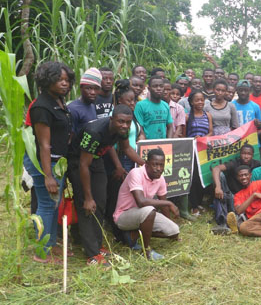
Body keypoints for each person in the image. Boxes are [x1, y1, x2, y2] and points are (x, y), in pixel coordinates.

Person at [68, 105, 145, 266]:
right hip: (79, 163)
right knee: (87, 206)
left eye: (128, 122)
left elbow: (126, 149)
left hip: (96, 160)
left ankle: (97, 245)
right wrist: (88, 197)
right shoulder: (94, 131)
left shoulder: (122, 131)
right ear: (112, 119)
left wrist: (146, 165)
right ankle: (92, 255)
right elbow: (83, 165)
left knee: (101, 202)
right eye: (121, 121)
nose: (124, 125)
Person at [26, 61, 75, 263]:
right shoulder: (41, 107)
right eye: (59, 79)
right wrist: (48, 175)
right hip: (45, 164)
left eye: (67, 80)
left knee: (54, 205)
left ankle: (51, 244)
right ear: (47, 81)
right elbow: (44, 144)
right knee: (46, 205)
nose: (64, 84)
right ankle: (42, 251)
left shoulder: (59, 101)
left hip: (57, 163)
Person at [113, 149, 180, 261]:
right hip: (123, 216)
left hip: (144, 214)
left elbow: (163, 205)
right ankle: (146, 250)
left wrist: (169, 222)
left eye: (161, 165)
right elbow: (141, 202)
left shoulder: (160, 178)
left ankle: (135, 234)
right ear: (147, 164)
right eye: (155, 164)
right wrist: (169, 203)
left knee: (174, 231)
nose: (158, 168)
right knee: (149, 209)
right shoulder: (136, 173)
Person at [104, 80, 145, 243]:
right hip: (119, 161)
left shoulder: (130, 117)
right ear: (120, 101)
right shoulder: (115, 118)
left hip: (130, 159)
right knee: (117, 196)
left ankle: (128, 228)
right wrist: (119, 166)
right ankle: (117, 231)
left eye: (134, 100)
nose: (133, 103)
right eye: (129, 100)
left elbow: (131, 141)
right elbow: (110, 146)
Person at [211, 144, 261, 233]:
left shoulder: (257, 164)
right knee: (220, 177)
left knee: (241, 212)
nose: (246, 156)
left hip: (249, 196)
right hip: (232, 195)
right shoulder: (234, 163)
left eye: (249, 154)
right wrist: (218, 187)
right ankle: (223, 223)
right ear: (240, 154)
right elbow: (216, 169)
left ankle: (235, 222)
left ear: (252, 155)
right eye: (243, 153)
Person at [186, 90, 213, 216]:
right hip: (191, 150)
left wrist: (202, 139)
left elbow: (211, 132)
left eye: (202, 99)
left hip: (204, 151)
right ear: (191, 102)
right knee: (195, 178)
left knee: (204, 176)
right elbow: (183, 134)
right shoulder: (187, 116)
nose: (200, 102)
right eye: (197, 100)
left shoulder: (208, 115)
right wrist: (193, 140)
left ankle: (200, 202)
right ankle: (194, 205)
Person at [134, 76, 174, 140]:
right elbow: (139, 128)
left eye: (161, 86)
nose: (158, 88)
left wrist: (169, 142)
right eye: (155, 86)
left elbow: (170, 127)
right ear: (149, 88)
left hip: (163, 145)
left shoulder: (165, 105)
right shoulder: (140, 105)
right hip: (147, 145)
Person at [68, 68, 101, 137]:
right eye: (89, 88)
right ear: (81, 87)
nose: (93, 92)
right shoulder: (73, 109)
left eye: (96, 89)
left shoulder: (92, 106)